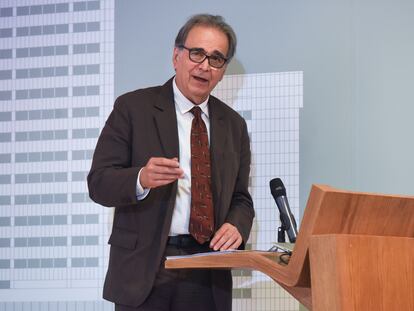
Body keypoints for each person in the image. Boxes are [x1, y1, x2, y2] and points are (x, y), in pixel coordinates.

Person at [88, 14, 254, 311]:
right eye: (197, 53)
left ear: (223, 70)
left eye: (216, 58)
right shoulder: (133, 108)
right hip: (146, 270)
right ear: (176, 56)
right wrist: (141, 178)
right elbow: (99, 182)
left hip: (209, 270)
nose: (205, 65)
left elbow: (241, 197)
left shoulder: (234, 125)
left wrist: (236, 224)